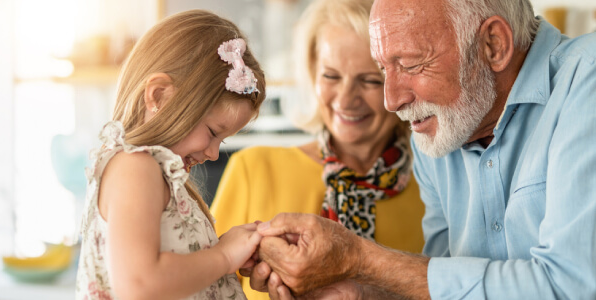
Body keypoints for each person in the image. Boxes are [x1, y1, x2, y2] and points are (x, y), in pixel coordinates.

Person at [245, 0, 596, 298]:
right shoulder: (438, 135)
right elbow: (443, 287)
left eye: (411, 65)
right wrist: (357, 291)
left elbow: (571, 286)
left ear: (493, 45)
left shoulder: (586, 83)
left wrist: (359, 258)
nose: (392, 101)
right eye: (383, 70)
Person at [210, 0, 425, 298]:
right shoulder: (253, 168)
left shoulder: (434, 190)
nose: (346, 99)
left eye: (370, 80)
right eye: (331, 76)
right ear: (312, 74)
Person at [75, 10, 269, 300]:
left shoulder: (154, 174)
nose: (214, 153)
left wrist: (224, 254)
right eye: (213, 132)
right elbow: (140, 284)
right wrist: (224, 257)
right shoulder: (135, 168)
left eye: (223, 141)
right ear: (159, 96)